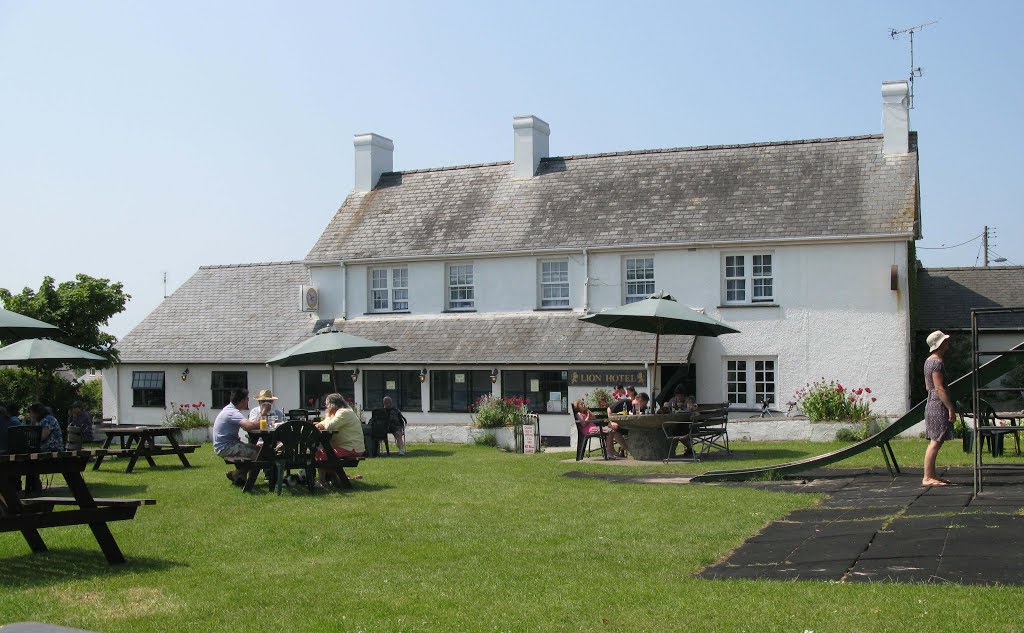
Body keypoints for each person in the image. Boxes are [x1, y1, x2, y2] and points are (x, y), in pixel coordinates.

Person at [923, 330, 955, 487]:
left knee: (936, 440)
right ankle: (928, 477)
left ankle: (931, 475)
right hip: (937, 404)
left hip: (931, 402)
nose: (948, 344)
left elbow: (927, 386)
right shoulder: (937, 363)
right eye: (945, 341)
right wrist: (950, 407)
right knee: (935, 441)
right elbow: (939, 388)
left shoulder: (929, 361)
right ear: (940, 344)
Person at [314, 393, 365, 488]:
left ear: (332, 404)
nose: (326, 407)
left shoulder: (343, 412)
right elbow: (324, 423)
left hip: (351, 448)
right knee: (326, 453)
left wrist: (328, 415)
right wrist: (318, 425)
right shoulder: (339, 413)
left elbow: (329, 426)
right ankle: (334, 480)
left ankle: (322, 482)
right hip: (347, 446)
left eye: (327, 404)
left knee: (322, 454)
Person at [212, 388, 261, 485]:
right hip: (227, 447)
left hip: (224, 445)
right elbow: (249, 426)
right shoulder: (232, 412)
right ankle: (237, 474)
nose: (248, 401)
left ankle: (241, 478)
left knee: (258, 450)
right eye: (247, 399)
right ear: (242, 401)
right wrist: (264, 420)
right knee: (260, 453)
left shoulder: (229, 410)